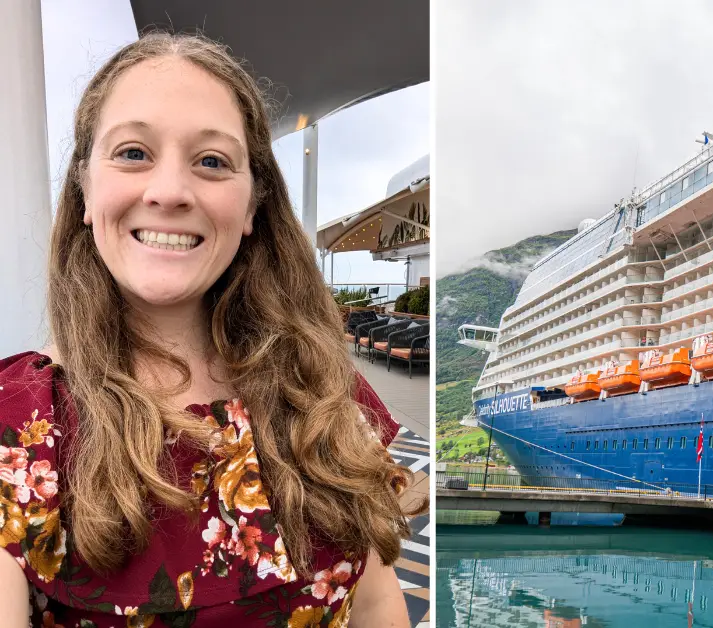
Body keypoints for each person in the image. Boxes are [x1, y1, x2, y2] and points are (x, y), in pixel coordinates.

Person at [0, 32, 424, 626]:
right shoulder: (18, 426)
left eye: (212, 162)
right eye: (131, 152)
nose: (171, 191)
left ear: (253, 206)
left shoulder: (325, 390)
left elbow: (378, 600)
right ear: (85, 188)